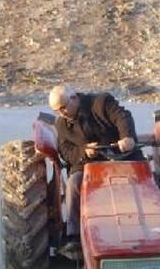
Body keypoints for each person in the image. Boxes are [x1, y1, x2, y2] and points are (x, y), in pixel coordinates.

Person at [49, 85, 140, 256]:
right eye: (57, 111)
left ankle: (153, 228)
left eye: (63, 108)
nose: (61, 114)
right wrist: (84, 151)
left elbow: (123, 117)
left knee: (145, 182)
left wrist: (127, 137)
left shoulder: (101, 103)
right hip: (87, 165)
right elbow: (65, 151)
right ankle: (74, 236)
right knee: (74, 183)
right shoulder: (61, 124)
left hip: (120, 157)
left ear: (74, 98)